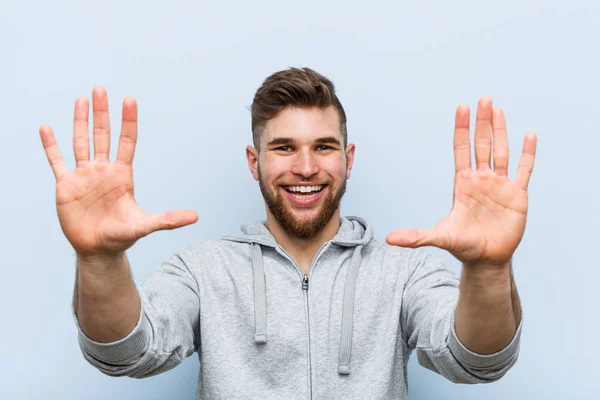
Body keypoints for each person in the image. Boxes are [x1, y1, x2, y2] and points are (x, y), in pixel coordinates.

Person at [39, 67, 537, 399]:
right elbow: (123, 352)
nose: (305, 167)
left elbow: (478, 360)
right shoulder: (202, 270)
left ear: (348, 159)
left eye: (324, 146)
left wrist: (489, 269)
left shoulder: (403, 272)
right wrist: (98, 260)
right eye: (283, 148)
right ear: (254, 162)